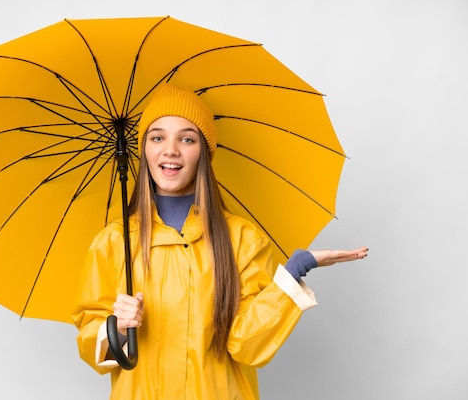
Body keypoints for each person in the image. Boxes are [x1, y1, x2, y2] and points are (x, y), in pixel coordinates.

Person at [72, 84, 368, 399]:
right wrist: (115, 328)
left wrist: (294, 272)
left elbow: (248, 346)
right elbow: (95, 352)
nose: (170, 149)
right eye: (157, 137)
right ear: (144, 150)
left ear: (204, 151)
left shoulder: (241, 239)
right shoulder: (114, 243)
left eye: (187, 139)